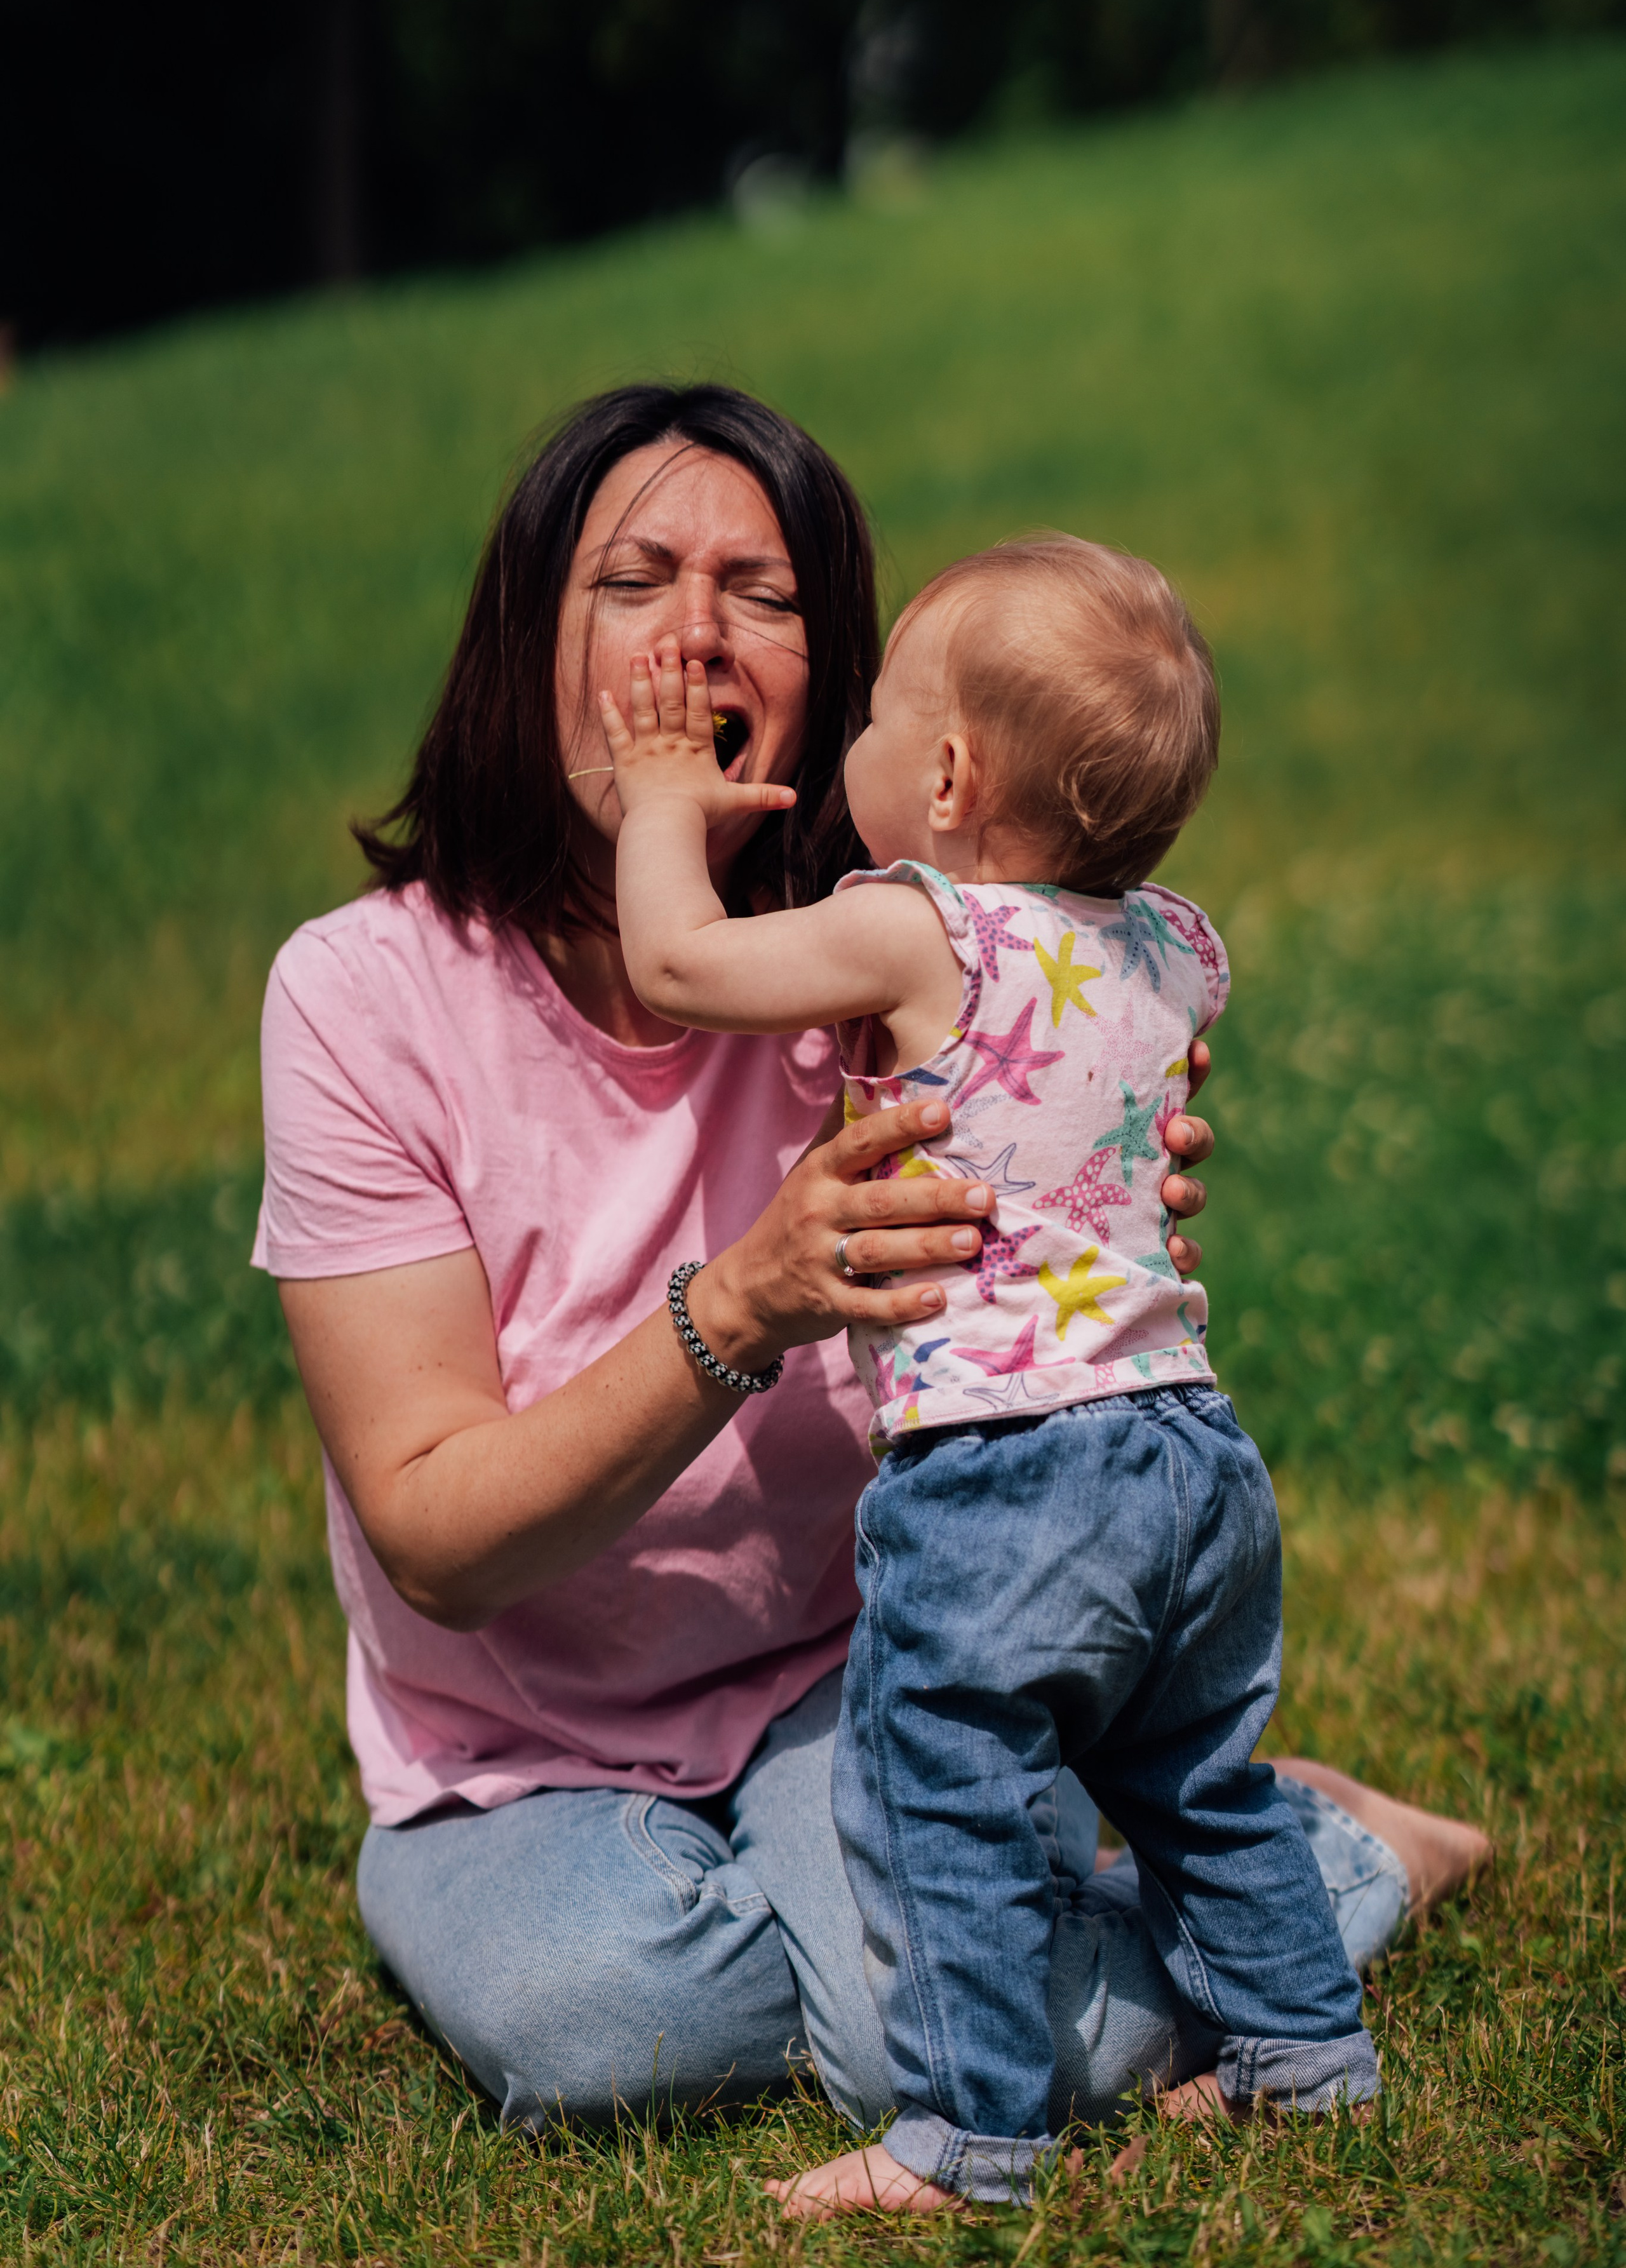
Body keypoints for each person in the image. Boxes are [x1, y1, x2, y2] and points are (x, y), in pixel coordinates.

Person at [256, 384, 1489, 2191]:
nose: (693, 634)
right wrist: (742, 1305)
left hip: (858, 1659)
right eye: (634, 581)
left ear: (840, 678)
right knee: (602, 2017)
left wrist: (1100, 1176)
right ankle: (1226, 1875)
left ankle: (1200, 1874)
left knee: (918, 2021)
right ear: (530, 635)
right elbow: (437, 1534)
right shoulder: (362, 997)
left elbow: (1091, 1090)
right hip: (519, 1747)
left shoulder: (905, 957)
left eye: (757, 591)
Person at [599, 534, 1378, 2211]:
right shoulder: (1180, 943)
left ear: (944, 778)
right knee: (1196, 1782)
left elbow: (677, 970)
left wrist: (661, 802)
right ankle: (1309, 2061)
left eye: (881, 713)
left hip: (1006, 1469)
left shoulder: (910, 924)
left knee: (935, 1789)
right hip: (1189, 1449)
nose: (862, 740)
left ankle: (971, 2142)